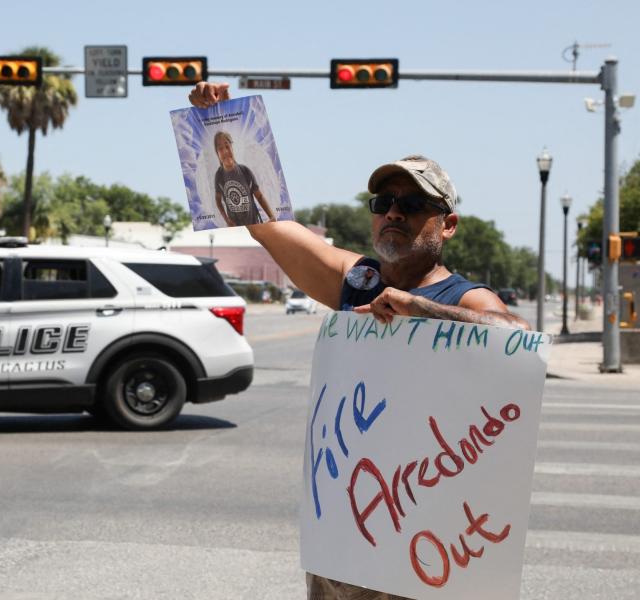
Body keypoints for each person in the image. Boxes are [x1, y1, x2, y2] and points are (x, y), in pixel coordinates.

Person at [190, 82, 530, 600]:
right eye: (384, 201)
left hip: (425, 547)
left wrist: (424, 310)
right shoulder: (358, 279)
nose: (393, 212)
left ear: (449, 224)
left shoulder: (467, 297)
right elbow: (260, 220)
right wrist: (221, 127)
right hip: (348, 544)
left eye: (413, 203)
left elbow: (520, 341)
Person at [213, 131, 277, 226]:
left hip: (254, 224)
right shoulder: (219, 175)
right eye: (220, 149)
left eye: (227, 146)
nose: (225, 151)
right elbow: (218, 201)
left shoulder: (245, 171)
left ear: (232, 147)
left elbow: (259, 196)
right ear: (217, 153)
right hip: (237, 230)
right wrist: (227, 220)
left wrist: (272, 217)